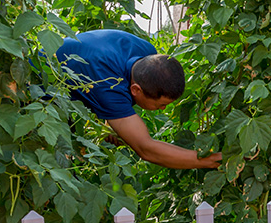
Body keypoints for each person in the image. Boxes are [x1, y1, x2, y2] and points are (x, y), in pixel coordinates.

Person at [55, 29, 222, 169]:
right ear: (136, 90)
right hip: (39, 87)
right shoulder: (108, 84)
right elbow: (146, 149)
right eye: (161, 105)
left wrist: (112, 120)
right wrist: (209, 160)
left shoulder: (147, 53)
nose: (163, 109)